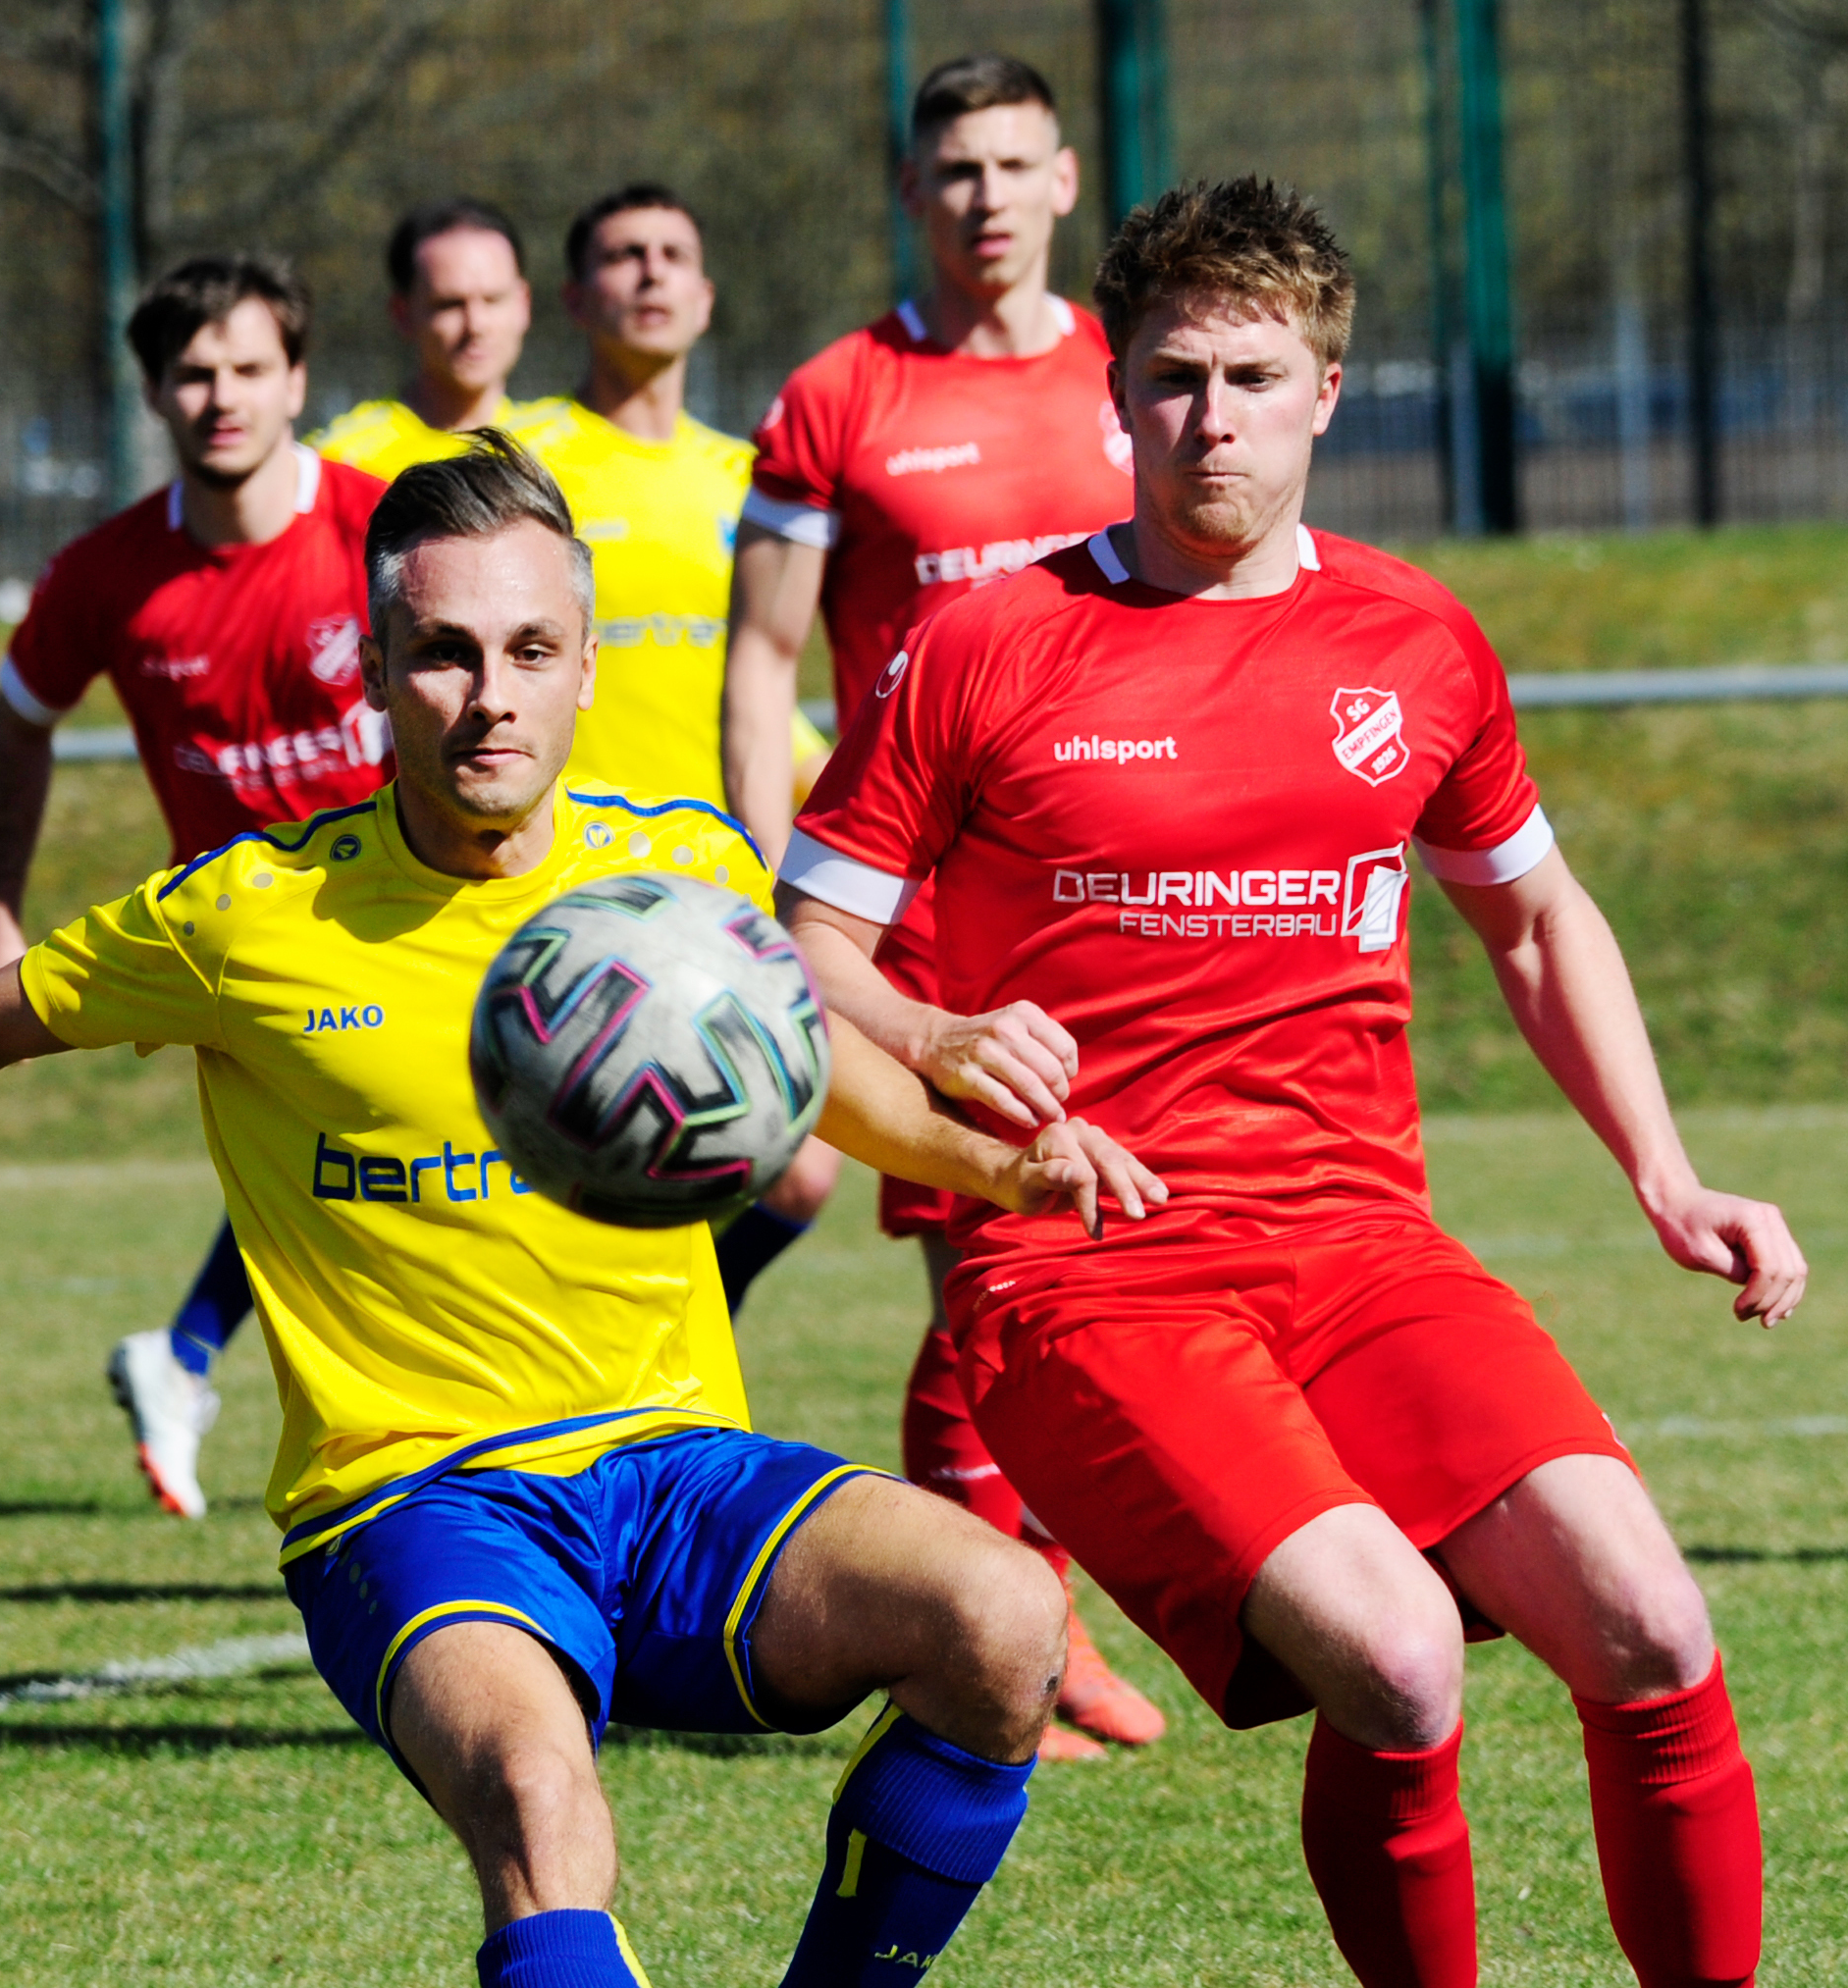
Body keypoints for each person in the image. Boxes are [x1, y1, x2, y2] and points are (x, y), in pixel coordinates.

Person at [0, 435, 1166, 1988]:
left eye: (531, 649)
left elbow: (807, 1067)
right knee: (539, 1801)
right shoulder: (253, 912)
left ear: (585, 668)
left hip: (671, 1466)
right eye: (443, 650)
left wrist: (998, 1165)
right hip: (414, 1498)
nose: (490, 694)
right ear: (372, 670)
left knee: (999, 1615)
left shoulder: (682, 870)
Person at [780, 175, 1801, 1988]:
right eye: (1174, 376)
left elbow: (1534, 917)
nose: (1211, 419)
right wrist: (936, 1037)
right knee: (1398, 1656)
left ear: (1327, 389)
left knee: (1649, 1618)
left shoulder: (1415, 640)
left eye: (1252, 377)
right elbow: (802, 941)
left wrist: (1667, 1170)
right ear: (1115, 389)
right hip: (1083, 1263)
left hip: (1361, 1249)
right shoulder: (986, 642)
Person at [719, 52, 1163, 1757]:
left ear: (1064, 182)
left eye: (1011, 164)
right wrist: (779, 901)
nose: (984, 196)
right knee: (984, 1266)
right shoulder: (839, 393)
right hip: (915, 917)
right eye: (952, 169)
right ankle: (1007, 1647)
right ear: (912, 193)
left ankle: (1039, 1612)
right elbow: (763, 656)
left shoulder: (1132, 378)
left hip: (1111, 901)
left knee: (1093, 1256)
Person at [0, 254, 389, 1522]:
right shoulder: (107, 574)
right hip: (245, 946)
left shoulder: (384, 532)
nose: (223, 397)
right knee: (358, 1175)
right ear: (152, 390)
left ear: (297, 380)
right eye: (194, 373)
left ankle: (192, 1356)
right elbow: (17, 723)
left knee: (357, 1178)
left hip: (410, 912)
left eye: (250, 367)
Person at [513, 183, 838, 1324]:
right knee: (575, 1174)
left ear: (705, 297)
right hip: (565, 882)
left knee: (800, 1166)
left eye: (671, 253)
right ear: (573, 297)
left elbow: (762, 685)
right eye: (622, 254)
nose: (649, 271)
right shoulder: (526, 459)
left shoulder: (755, 475)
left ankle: (686, 1331)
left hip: (716, 880)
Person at [313, 197, 554, 482]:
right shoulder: (341, 463)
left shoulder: (572, 449)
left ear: (524, 304)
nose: (476, 325)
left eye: (493, 300)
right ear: (403, 313)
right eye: (449, 305)